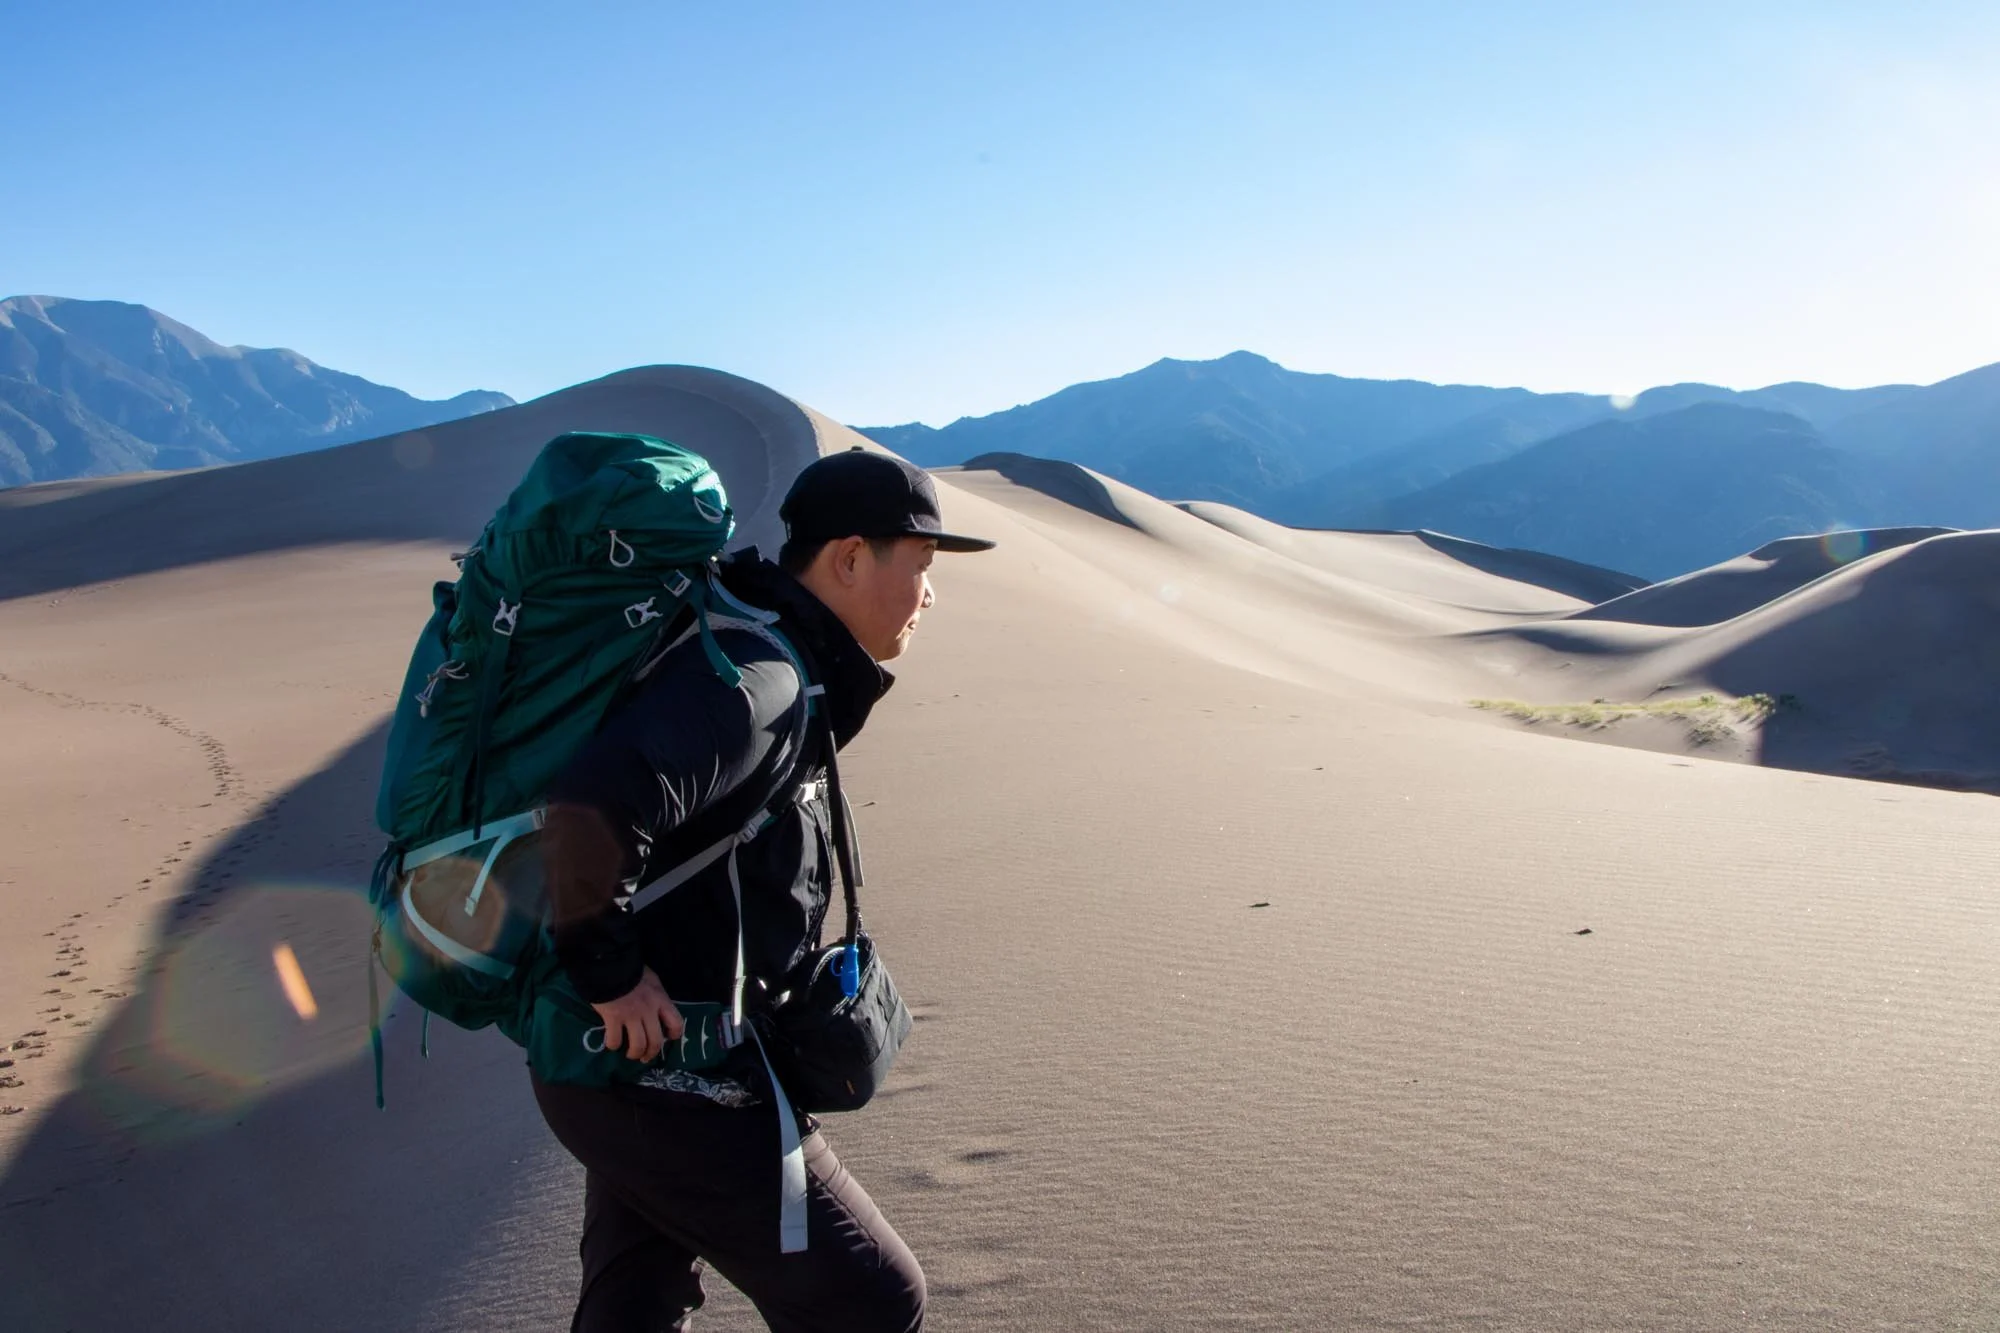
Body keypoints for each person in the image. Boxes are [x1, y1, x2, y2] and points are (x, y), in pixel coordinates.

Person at [532, 447, 996, 1333]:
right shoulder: (762, 681)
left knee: (637, 1295)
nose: (930, 595)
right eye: (921, 566)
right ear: (850, 558)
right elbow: (592, 803)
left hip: (623, 1065)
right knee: (872, 1297)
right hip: (664, 1068)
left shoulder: (780, 660)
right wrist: (607, 970)